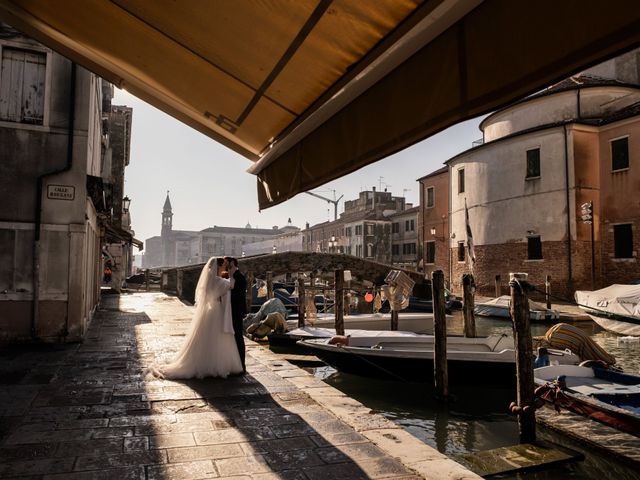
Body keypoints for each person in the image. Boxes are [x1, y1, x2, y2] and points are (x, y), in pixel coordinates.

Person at [150, 257, 243, 379]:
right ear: (218, 267)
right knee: (218, 338)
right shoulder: (219, 282)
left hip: (209, 312)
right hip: (217, 312)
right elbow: (232, 284)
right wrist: (233, 270)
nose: (225, 268)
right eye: (224, 266)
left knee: (206, 339)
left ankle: (205, 362)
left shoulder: (209, 281)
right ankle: (216, 364)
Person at [224, 256, 247, 373]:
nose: (226, 267)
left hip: (237, 312)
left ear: (233, 263)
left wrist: (226, 295)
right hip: (230, 312)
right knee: (232, 337)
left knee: (238, 337)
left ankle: (242, 365)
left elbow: (238, 296)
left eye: (228, 264)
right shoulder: (230, 276)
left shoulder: (240, 277)